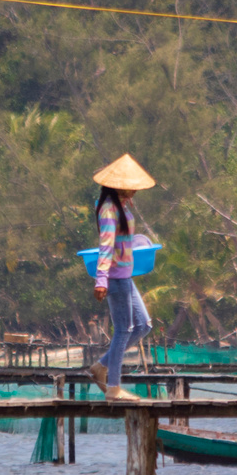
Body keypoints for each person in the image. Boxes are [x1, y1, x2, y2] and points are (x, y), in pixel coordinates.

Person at [86, 154, 155, 400]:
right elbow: (106, 245)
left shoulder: (122, 207)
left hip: (126, 275)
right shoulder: (108, 209)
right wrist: (101, 280)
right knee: (123, 330)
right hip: (115, 277)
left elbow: (123, 241)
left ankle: (101, 366)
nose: (133, 191)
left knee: (143, 325)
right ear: (117, 187)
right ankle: (113, 388)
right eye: (129, 187)